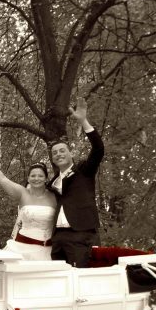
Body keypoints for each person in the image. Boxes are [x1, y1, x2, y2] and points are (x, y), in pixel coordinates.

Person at [48, 101, 105, 267]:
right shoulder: (52, 182)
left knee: (81, 280)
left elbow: (99, 149)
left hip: (81, 234)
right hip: (58, 238)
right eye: (55, 152)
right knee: (60, 282)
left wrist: (83, 121)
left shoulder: (84, 170)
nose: (58, 154)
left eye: (62, 150)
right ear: (52, 158)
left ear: (71, 153)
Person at [0, 153, 56, 260]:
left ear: (46, 178)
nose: (36, 178)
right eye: (33, 175)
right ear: (28, 178)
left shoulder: (54, 196)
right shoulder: (22, 193)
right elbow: (2, 179)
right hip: (22, 247)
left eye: (40, 175)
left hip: (47, 250)